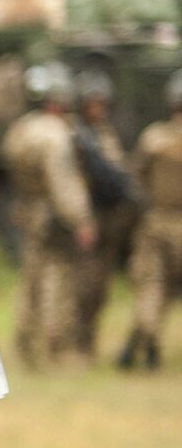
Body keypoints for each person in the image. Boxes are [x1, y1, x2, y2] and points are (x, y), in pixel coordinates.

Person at [4, 61, 97, 368]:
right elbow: (63, 183)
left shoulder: (20, 129)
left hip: (27, 210)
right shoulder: (56, 135)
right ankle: (55, 348)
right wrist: (81, 220)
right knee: (58, 279)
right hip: (53, 215)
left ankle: (24, 342)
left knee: (30, 277)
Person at [119, 71, 182, 370]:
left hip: (157, 222)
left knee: (152, 285)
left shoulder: (155, 137)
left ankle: (145, 341)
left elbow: (135, 178)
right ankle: (144, 346)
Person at [73, 69, 137, 358]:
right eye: (92, 104)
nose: (98, 109)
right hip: (89, 217)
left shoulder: (104, 134)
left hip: (111, 216)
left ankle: (88, 341)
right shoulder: (75, 136)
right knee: (83, 285)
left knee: (100, 286)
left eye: (102, 103)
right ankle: (76, 342)